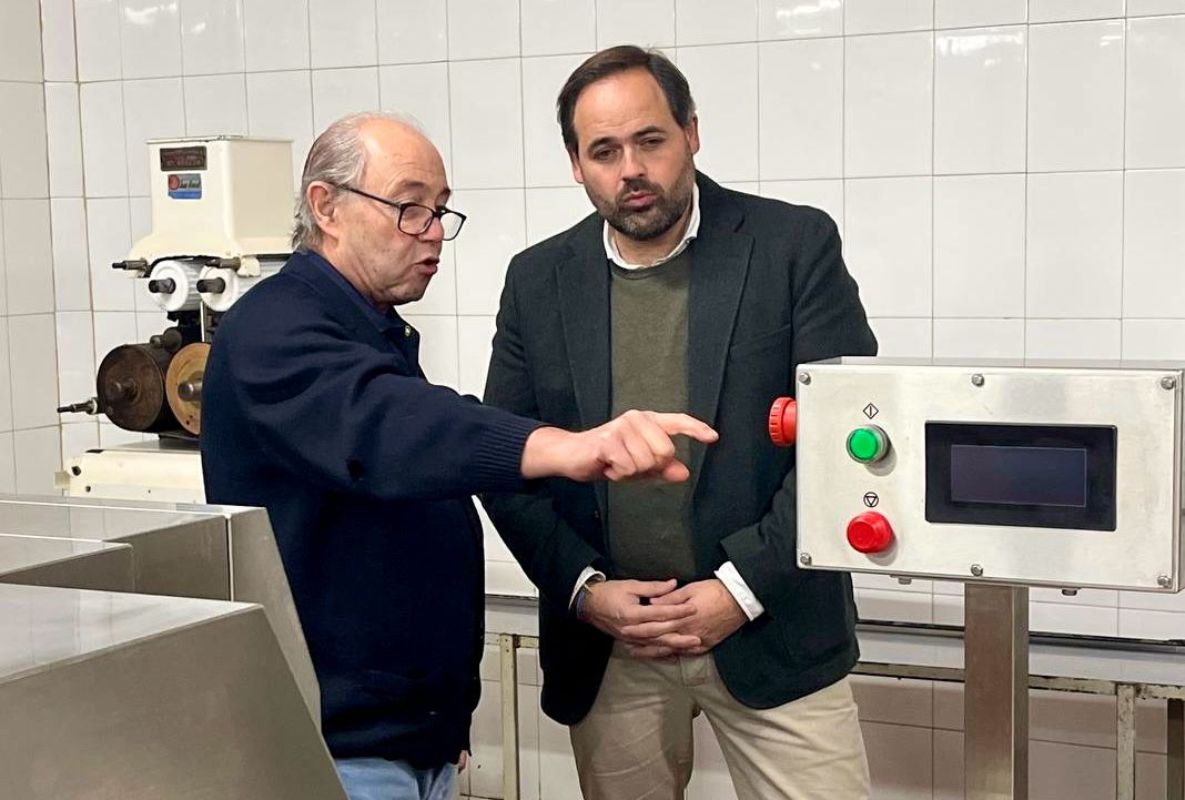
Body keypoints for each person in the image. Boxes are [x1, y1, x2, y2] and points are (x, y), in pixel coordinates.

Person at [200, 111, 717, 800]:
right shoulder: (275, 325)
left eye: (441, 211)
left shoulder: (370, 330)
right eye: (409, 209)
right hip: (337, 749)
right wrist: (559, 446)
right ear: (326, 207)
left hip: (411, 744)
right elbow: (390, 428)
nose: (434, 233)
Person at [481, 46, 878, 799]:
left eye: (650, 140)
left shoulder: (791, 247)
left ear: (691, 132)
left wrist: (740, 589)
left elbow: (846, 447)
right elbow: (508, 460)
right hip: (614, 640)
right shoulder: (536, 280)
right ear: (575, 164)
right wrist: (583, 588)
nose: (630, 167)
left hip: (771, 623)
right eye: (603, 150)